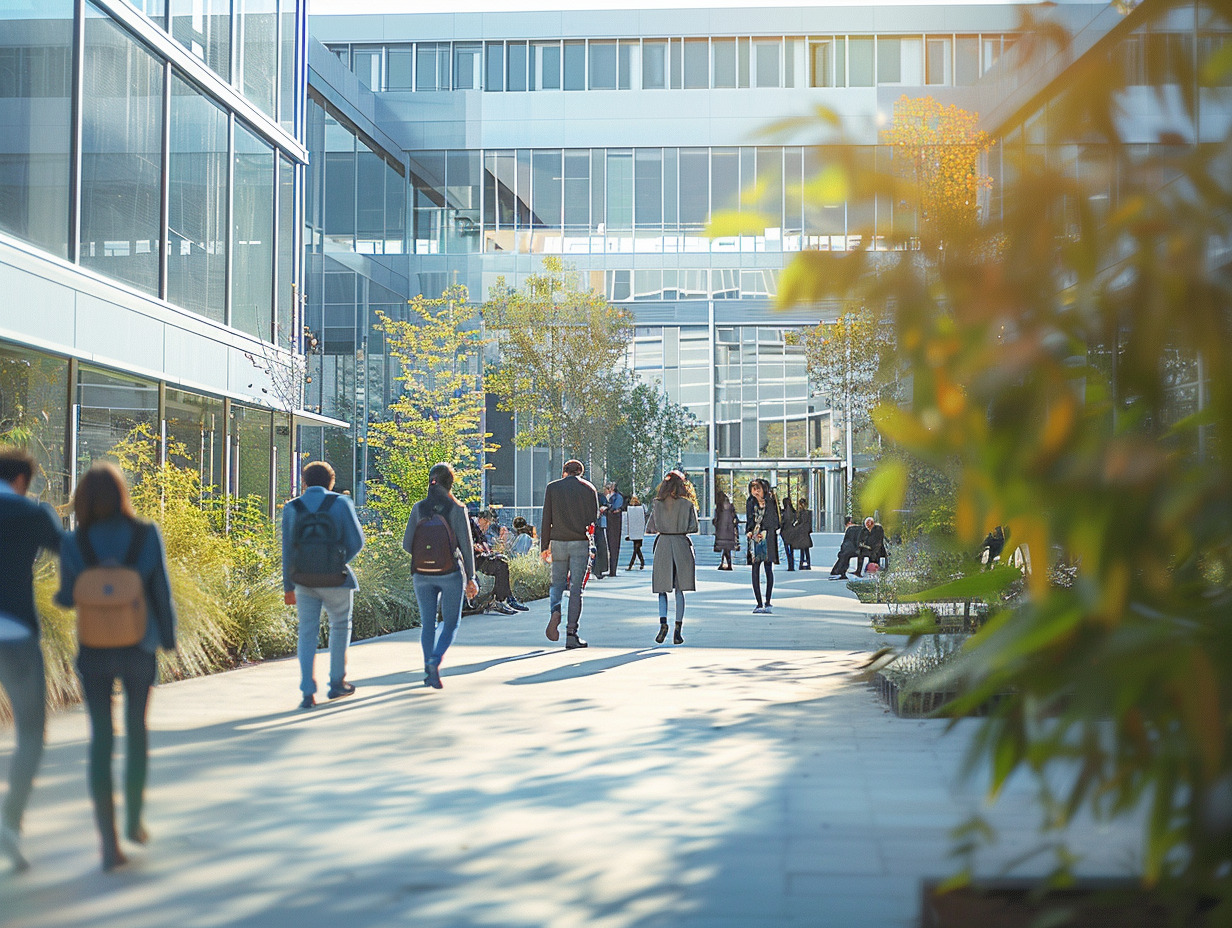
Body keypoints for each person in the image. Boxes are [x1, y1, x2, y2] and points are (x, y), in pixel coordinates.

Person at [55, 462, 176, 871]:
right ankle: (135, 822)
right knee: (137, 733)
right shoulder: (145, 534)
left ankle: (108, 843)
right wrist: (169, 638)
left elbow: (68, 597)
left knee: (101, 742)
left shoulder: (75, 542)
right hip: (139, 645)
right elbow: (161, 590)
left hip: (94, 649)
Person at [0, 447, 63, 872]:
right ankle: (10, 821)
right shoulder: (32, 513)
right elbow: (71, 554)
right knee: (31, 732)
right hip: (16, 634)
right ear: (22, 480)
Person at [281, 460, 365, 710]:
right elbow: (357, 542)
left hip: (304, 580)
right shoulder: (341, 503)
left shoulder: (292, 508)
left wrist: (288, 586)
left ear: (304, 482)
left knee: (307, 632)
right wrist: (338, 560)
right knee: (339, 626)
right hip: (336, 579)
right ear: (331, 482)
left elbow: (287, 550)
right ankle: (337, 683)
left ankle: (307, 691)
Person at [402, 463, 478, 690]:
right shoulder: (456, 508)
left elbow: (407, 544)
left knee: (428, 623)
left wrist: (426, 554)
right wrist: (471, 576)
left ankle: (428, 671)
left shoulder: (419, 508)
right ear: (450, 483)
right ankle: (436, 660)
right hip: (450, 573)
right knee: (451, 622)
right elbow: (466, 546)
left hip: (421, 575)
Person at [540, 459, 599, 649]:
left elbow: (546, 518)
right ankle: (571, 634)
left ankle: (555, 611)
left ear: (564, 471)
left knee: (557, 583)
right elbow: (593, 517)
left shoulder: (552, 488)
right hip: (579, 542)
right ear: (580, 472)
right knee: (576, 589)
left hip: (557, 542)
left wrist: (544, 546)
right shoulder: (589, 489)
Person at [651, 472, 698, 644]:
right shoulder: (687, 504)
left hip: (663, 543)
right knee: (680, 589)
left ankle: (663, 623)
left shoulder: (657, 504)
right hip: (681, 543)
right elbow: (694, 527)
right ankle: (678, 628)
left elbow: (652, 526)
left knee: (662, 588)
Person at [472, 510, 526, 614]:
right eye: (487, 522)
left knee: (502, 563)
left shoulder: (478, 527)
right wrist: (476, 546)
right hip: (471, 560)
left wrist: (487, 550)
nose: (487, 526)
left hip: (479, 557)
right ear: (481, 519)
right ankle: (501, 601)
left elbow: (482, 540)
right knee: (500, 566)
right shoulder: (472, 524)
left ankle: (507, 598)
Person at [746, 479, 779, 614]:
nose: (756, 491)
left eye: (758, 488)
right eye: (753, 489)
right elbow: (749, 519)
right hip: (755, 539)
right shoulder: (750, 502)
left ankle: (768, 601)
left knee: (768, 568)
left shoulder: (770, 501)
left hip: (768, 538)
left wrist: (765, 531)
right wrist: (750, 531)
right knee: (755, 569)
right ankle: (759, 603)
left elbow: (775, 520)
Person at [711, 489, 740, 570]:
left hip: (721, 531)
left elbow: (716, 520)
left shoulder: (719, 507)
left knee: (725, 549)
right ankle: (726, 564)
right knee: (727, 549)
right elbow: (735, 517)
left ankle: (726, 564)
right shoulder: (730, 506)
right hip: (729, 530)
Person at [605, 482, 625, 578]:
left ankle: (613, 569)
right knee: (610, 544)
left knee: (614, 544)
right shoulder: (609, 496)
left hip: (614, 520)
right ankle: (610, 568)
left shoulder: (618, 497)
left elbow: (615, 507)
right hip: (610, 520)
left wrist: (607, 508)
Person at [591, 485, 610, 581]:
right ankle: (598, 570)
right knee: (600, 546)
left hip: (593, 525)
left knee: (597, 547)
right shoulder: (600, 496)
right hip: (597, 525)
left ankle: (597, 570)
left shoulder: (590, 496)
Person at [791, 496, 814, 570]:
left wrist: (796, 527)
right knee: (806, 549)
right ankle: (808, 563)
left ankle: (802, 563)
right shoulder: (808, 513)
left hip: (801, 533)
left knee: (802, 549)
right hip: (806, 533)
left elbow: (800, 522)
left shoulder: (800, 513)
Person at [624, 495, 647, 569]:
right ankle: (642, 563)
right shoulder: (641, 509)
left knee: (636, 550)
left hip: (635, 532)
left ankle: (631, 565)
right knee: (637, 550)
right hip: (638, 533)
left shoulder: (633, 510)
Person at [780, 496, 797, 571]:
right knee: (791, 549)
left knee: (787, 549)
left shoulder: (785, 512)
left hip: (786, 531)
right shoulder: (793, 512)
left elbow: (783, 522)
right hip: (792, 531)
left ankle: (790, 564)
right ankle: (791, 564)